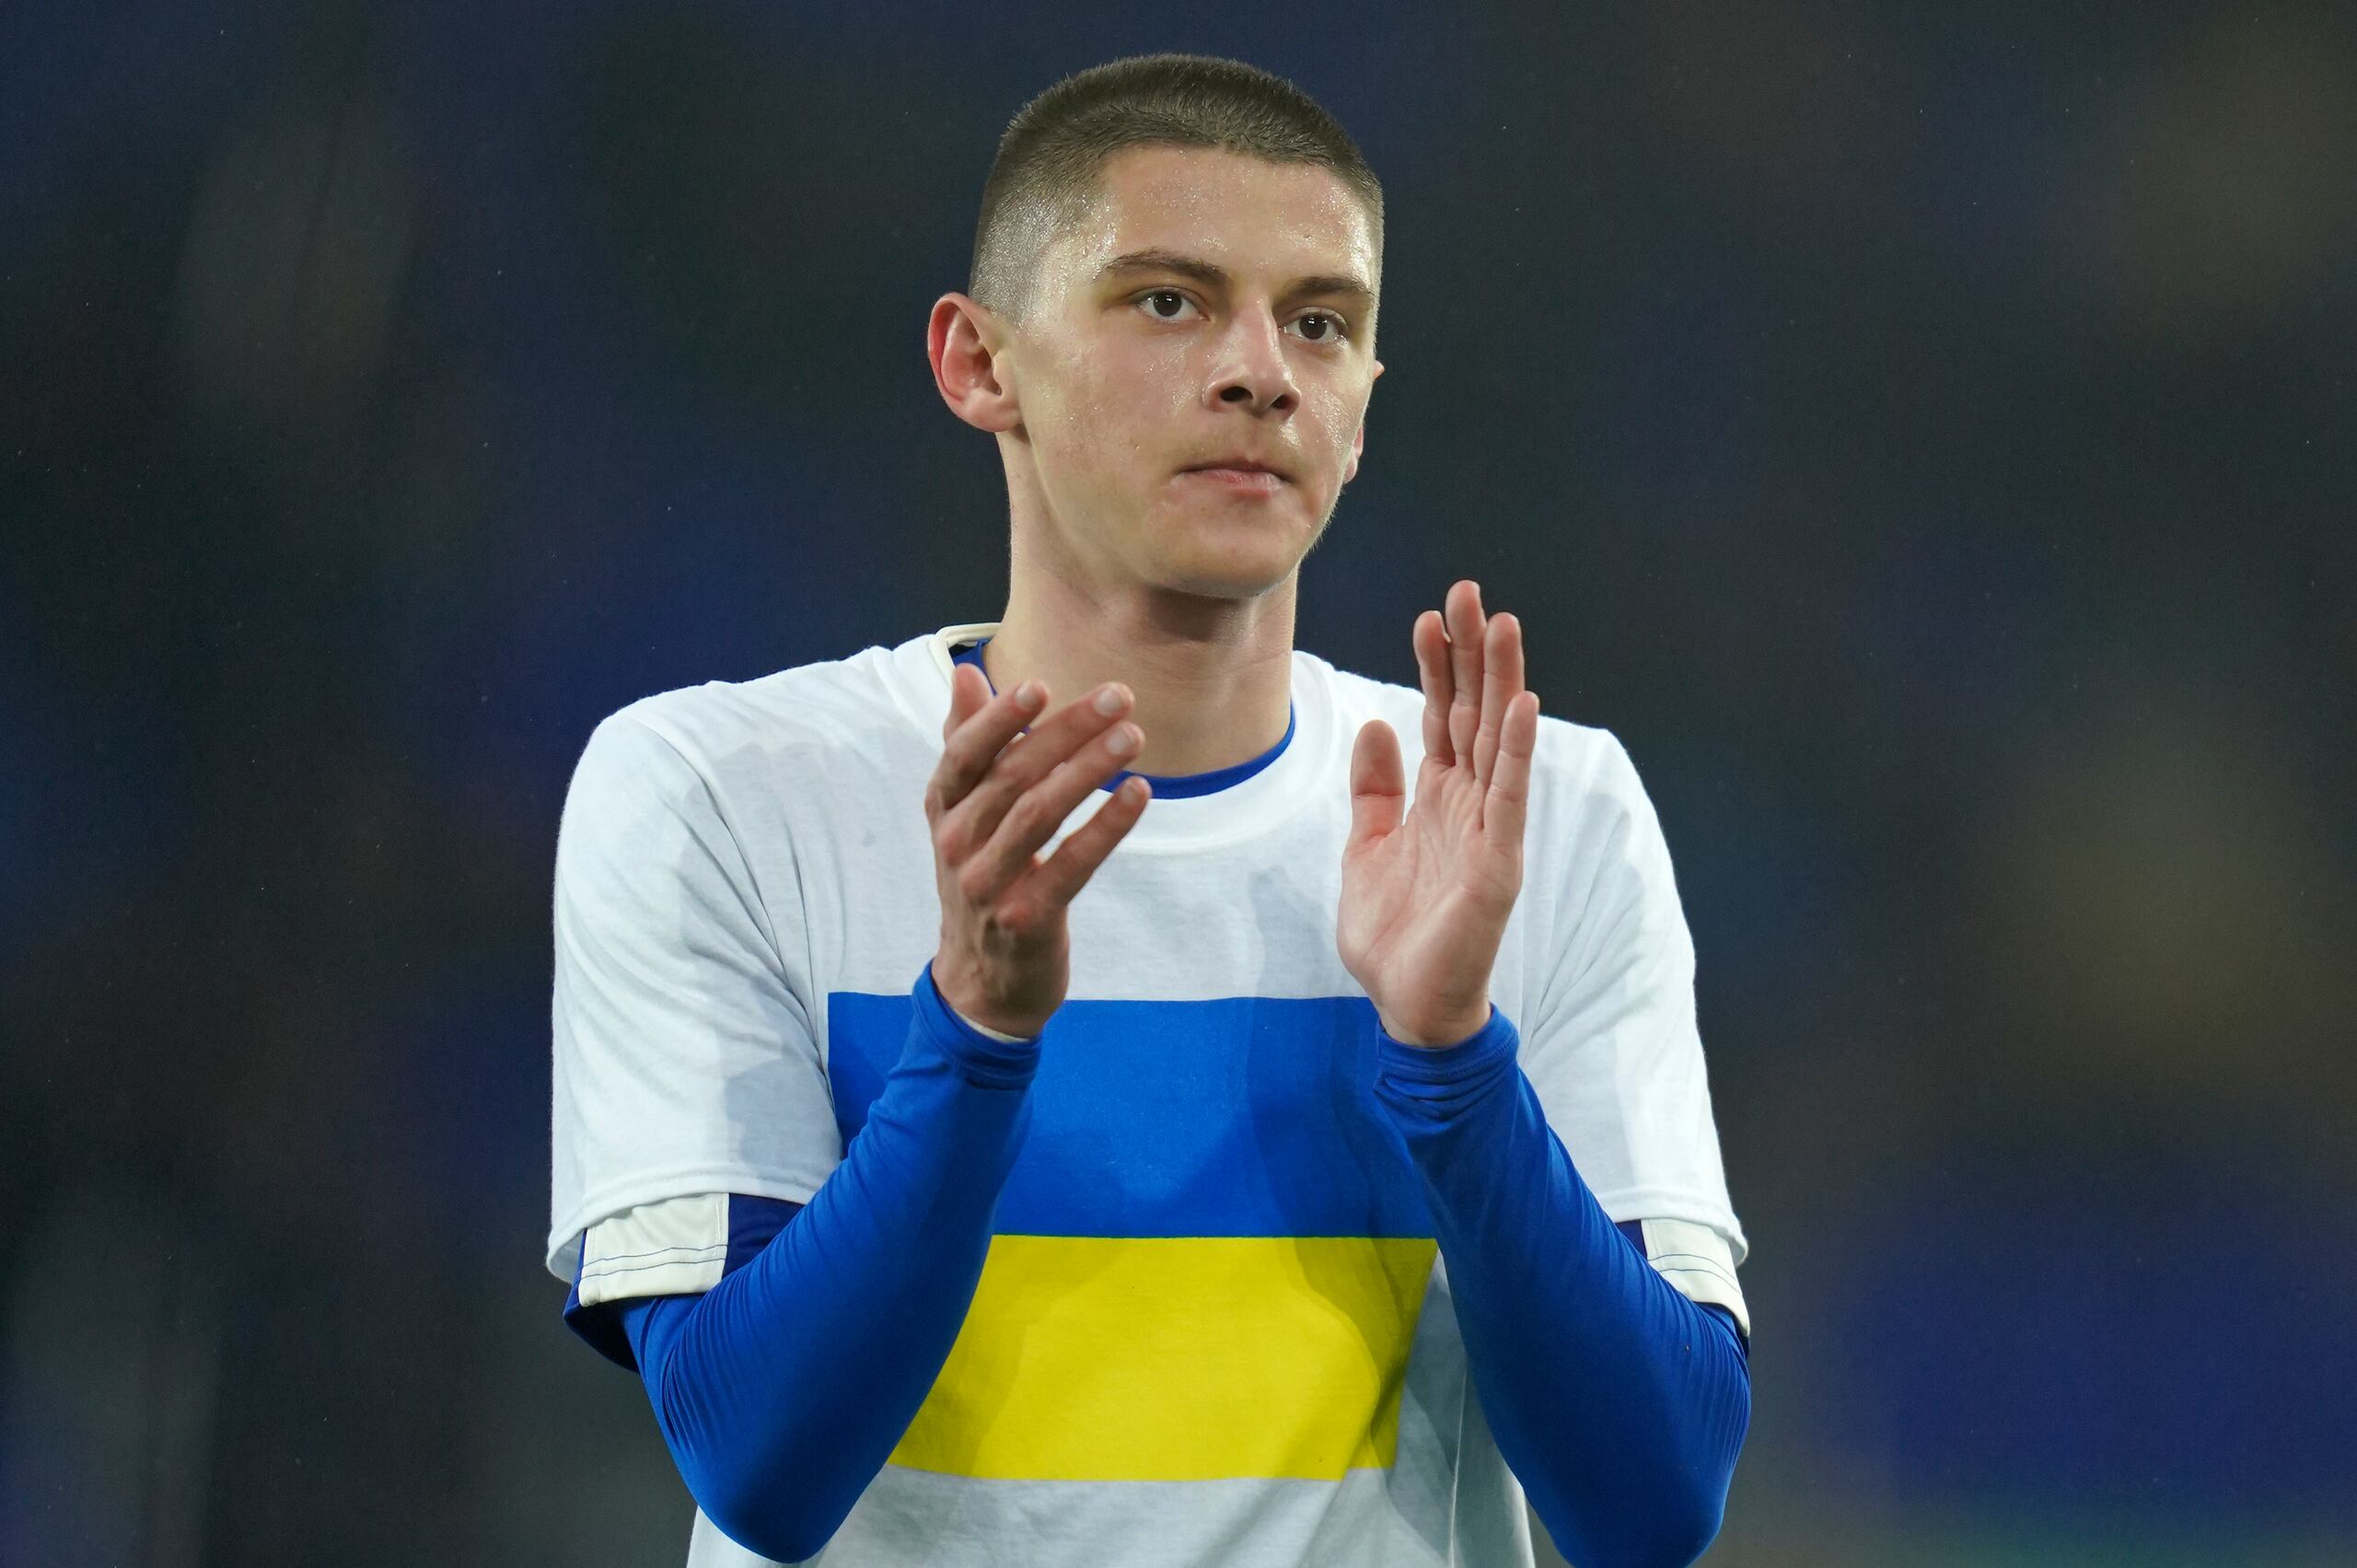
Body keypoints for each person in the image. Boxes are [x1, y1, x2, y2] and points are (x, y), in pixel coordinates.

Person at [546, 52, 1750, 1568]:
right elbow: (760, 1466)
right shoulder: (718, 794)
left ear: (1365, 403)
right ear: (980, 363)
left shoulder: (1531, 816)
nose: (1263, 370)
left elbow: (1650, 1515)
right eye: (1169, 301)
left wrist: (1452, 1067)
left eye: (1323, 322)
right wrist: (976, 1036)